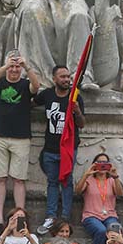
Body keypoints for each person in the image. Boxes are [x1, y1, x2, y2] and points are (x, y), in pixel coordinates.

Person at [0, 52, 40, 231]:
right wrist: (5, 66)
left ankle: (20, 217)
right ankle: (0, 218)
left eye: (17, 67)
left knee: (19, 179)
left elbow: (36, 86)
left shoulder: (25, 84)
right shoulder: (0, 83)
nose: (14, 70)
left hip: (21, 137)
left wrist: (26, 66)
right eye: (12, 66)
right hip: (0, 136)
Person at [34, 65, 85, 231]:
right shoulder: (47, 94)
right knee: (52, 182)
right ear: (54, 78)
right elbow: (32, 103)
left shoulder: (75, 97)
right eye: (62, 77)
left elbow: (82, 124)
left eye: (68, 77)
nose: (66, 80)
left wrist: (77, 111)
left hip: (68, 148)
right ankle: (51, 216)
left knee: (67, 182)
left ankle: (65, 217)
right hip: (50, 148)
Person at [76, 153, 123, 244]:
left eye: (105, 162)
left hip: (109, 215)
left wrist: (116, 177)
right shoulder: (89, 180)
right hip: (91, 215)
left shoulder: (111, 180)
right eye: (99, 162)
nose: (102, 165)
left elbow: (120, 193)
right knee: (101, 231)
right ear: (94, 164)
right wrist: (86, 174)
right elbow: (78, 191)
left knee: (115, 230)